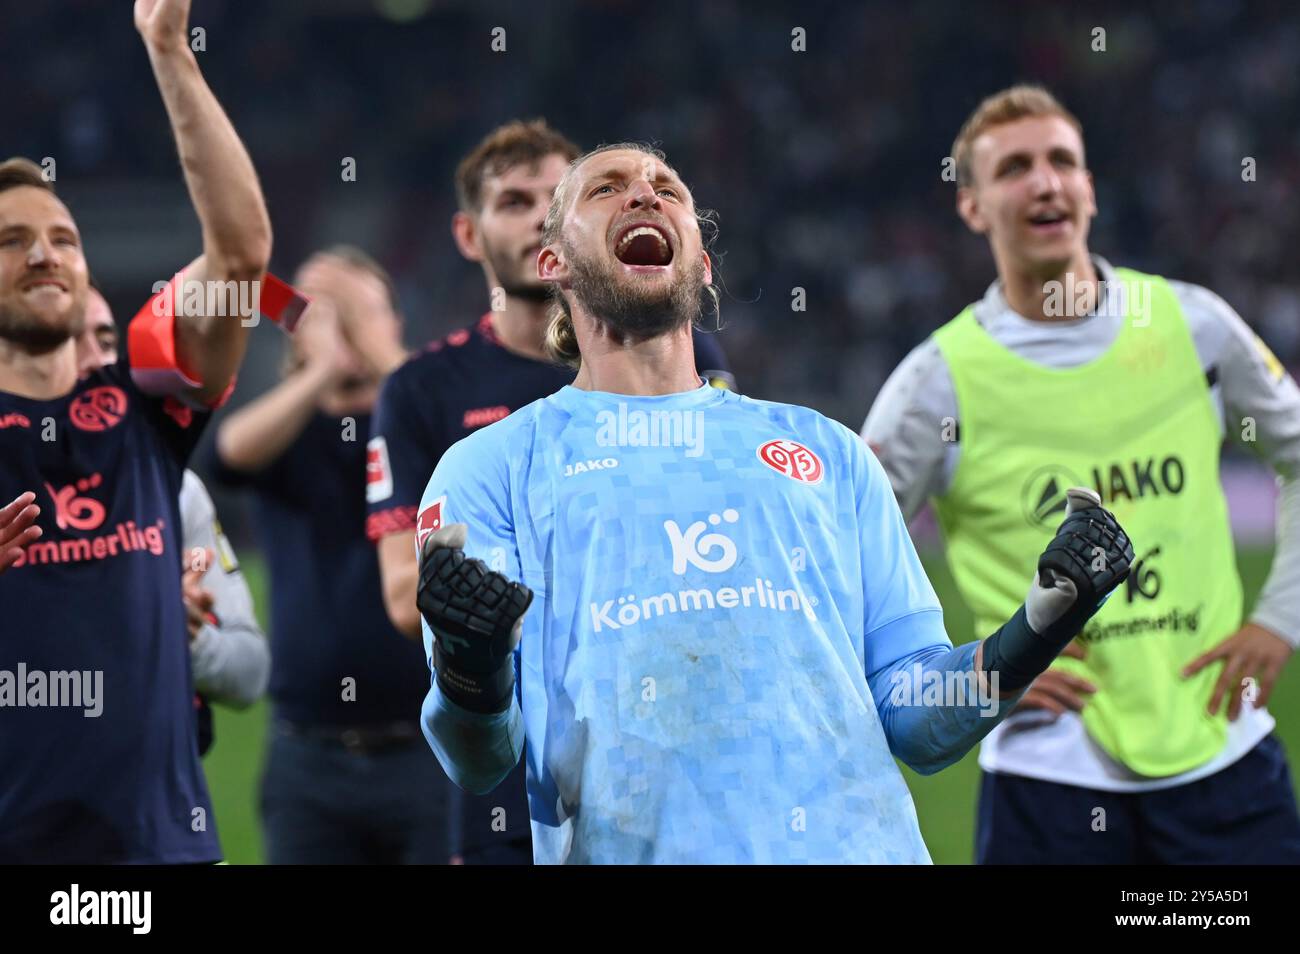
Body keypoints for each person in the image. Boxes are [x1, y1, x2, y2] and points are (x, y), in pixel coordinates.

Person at [411, 142, 1133, 863]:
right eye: (605, 189)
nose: (644, 194)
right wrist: (470, 667)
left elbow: (915, 721)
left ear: (700, 264)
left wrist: (1034, 631)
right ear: (552, 263)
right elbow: (480, 759)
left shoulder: (828, 453)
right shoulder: (492, 470)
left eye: (668, 188)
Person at [863, 85, 1300, 863]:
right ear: (972, 207)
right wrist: (978, 666)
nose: (1045, 182)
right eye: (1015, 168)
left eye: (1063, 161)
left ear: (1090, 188)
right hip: (1046, 780)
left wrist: (1281, 619)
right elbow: (849, 549)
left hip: (1222, 757)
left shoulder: (1192, 323)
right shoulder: (938, 381)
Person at [367, 120, 734, 864]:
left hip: (667, 739)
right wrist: (480, 626)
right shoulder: (423, 390)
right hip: (502, 744)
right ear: (469, 236)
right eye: (514, 200)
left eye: (553, 193)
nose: (538, 210)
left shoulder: (692, 360)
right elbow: (410, 590)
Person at [0, 0, 271, 863]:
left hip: (161, 853)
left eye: (63, 239)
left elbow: (240, 258)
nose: (45, 254)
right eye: (11, 240)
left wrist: (169, 50)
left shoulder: (142, 408)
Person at [209, 248, 453, 864]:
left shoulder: (422, 425)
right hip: (307, 758)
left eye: (357, 313)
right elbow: (225, 456)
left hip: (432, 745)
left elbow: (479, 451)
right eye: (321, 313)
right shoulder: (288, 435)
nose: (338, 328)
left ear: (394, 323)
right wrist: (318, 371)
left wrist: (379, 359)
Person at [75, 286, 270, 756]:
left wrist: (187, 634)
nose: (94, 363)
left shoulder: (176, 492)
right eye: (65, 341)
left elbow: (250, 672)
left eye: (104, 342)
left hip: (159, 805)